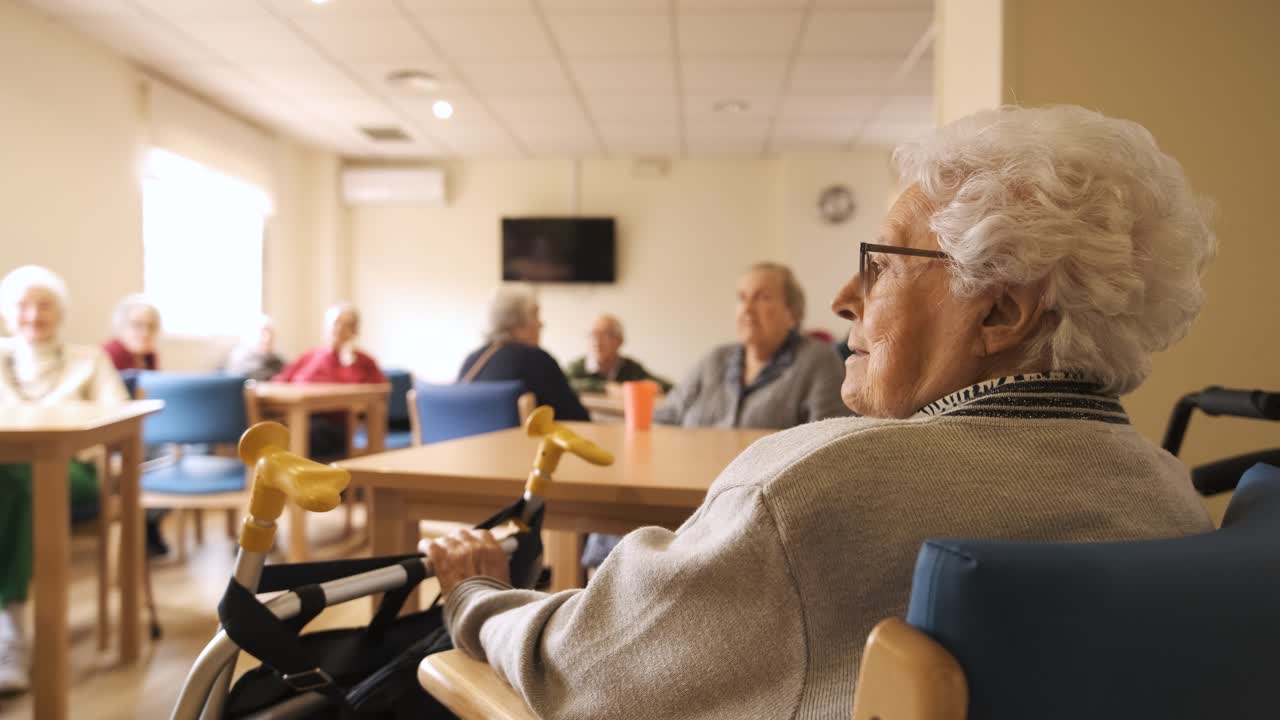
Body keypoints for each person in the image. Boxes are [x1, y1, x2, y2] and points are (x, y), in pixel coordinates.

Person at [424, 105, 1217, 719]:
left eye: (881, 263)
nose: (844, 298)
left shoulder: (815, 490)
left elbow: (582, 673)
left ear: (1001, 314)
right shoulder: (1169, 495)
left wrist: (476, 595)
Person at [0, 265, 129, 693]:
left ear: (61, 312)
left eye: (44, 305)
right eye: (23, 305)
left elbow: (120, 418)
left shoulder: (89, 360)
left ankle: (13, 639)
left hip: (71, 471)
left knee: (18, 479)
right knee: (12, 479)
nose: (33, 315)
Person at [653, 262, 849, 429]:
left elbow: (830, 445)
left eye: (762, 298)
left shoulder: (819, 361)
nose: (747, 309)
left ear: (792, 313)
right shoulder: (714, 359)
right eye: (742, 298)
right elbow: (665, 416)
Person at [457, 287, 589, 422]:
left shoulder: (472, 360)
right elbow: (578, 419)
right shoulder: (537, 360)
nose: (541, 324)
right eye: (535, 316)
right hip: (515, 443)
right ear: (517, 324)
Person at [273, 303, 385, 456]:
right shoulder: (310, 355)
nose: (338, 329)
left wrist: (349, 364)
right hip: (297, 415)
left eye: (345, 325)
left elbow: (380, 394)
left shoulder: (364, 362)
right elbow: (280, 381)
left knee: (305, 432)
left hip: (338, 425)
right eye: (334, 323)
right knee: (273, 429)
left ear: (354, 331)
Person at [564, 314, 672, 395]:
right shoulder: (577, 367)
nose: (597, 340)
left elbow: (669, 387)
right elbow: (562, 385)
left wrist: (654, 387)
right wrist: (605, 387)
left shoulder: (631, 368)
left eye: (605, 335)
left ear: (620, 340)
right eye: (593, 334)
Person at [102, 294, 161, 371]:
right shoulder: (109, 354)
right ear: (121, 326)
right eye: (137, 325)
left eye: (152, 326)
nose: (145, 333)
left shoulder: (149, 356)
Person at [223, 314, 286, 381]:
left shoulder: (276, 359)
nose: (267, 338)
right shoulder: (240, 356)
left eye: (270, 333)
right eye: (262, 333)